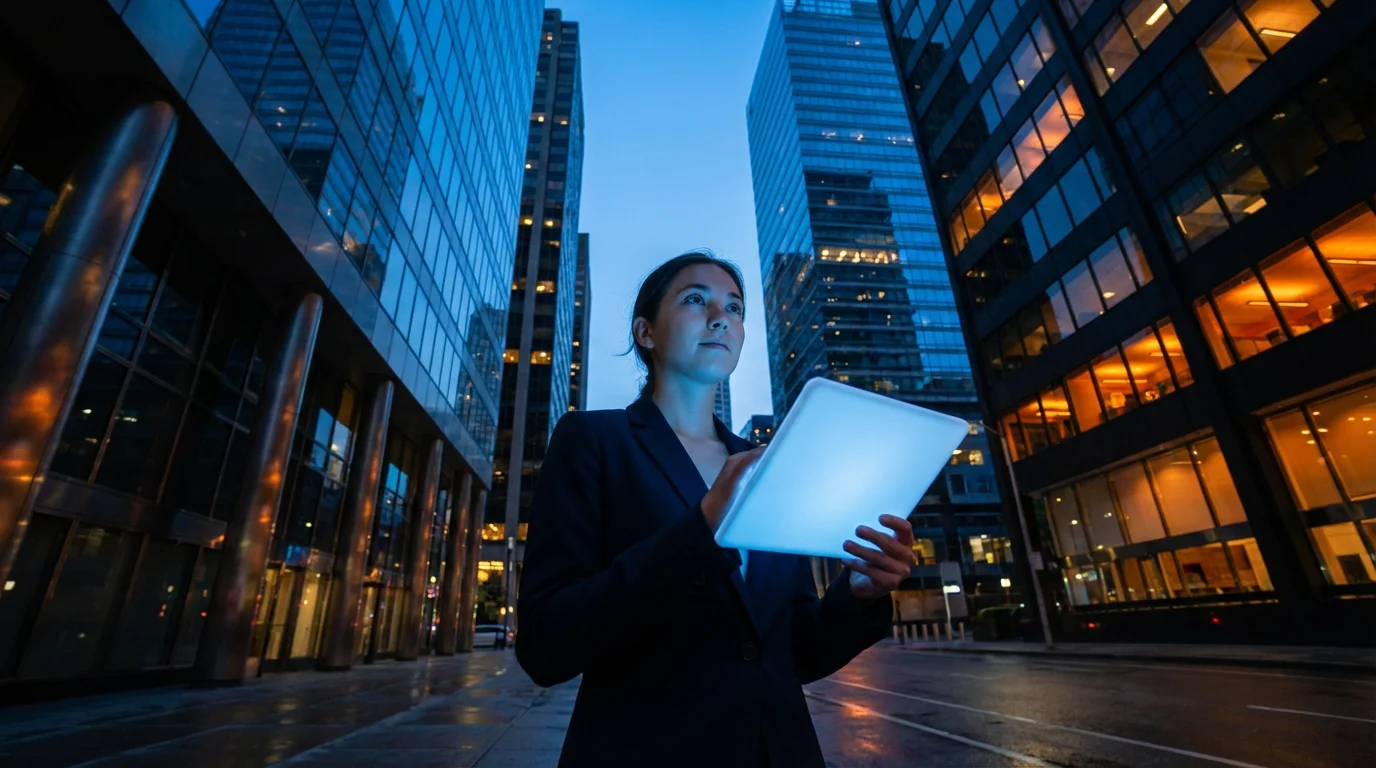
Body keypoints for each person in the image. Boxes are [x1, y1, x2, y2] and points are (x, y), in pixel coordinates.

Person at [515, 251, 916, 766]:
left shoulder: (768, 465)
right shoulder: (593, 440)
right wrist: (698, 533)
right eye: (695, 299)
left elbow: (789, 650)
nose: (720, 316)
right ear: (646, 332)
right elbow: (547, 644)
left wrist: (857, 595)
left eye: (734, 306)